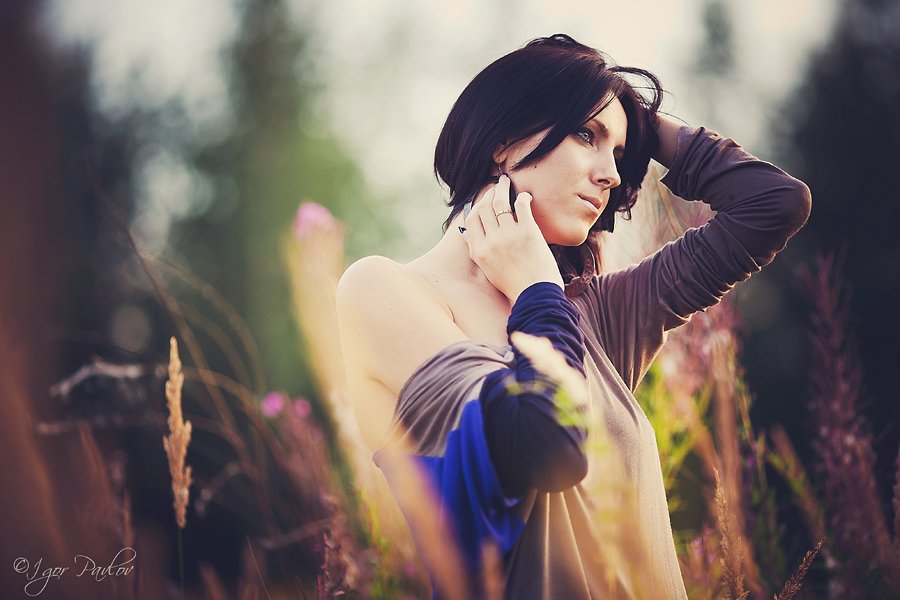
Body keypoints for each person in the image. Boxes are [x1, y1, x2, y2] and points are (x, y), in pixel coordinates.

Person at [335, 34, 811, 599]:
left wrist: (637, 118)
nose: (612, 175)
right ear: (504, 141)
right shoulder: (384, 292)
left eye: (620, 155)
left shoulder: (598, 316)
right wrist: (535, 287)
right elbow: (548, 447)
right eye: (587, 135)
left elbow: (775, 203)